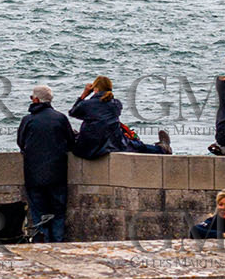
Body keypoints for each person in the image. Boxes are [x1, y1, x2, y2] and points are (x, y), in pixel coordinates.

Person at [17, 84, 76, 242]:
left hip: (34, 176)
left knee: (39, 214)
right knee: (58, 213)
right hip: (57, 175)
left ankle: (42, 243)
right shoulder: (60, 118)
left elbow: (21, 142)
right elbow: (71, 142)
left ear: (35, 99)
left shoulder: (28, 120)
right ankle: (57, 243)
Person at [69, 76, 168, 160]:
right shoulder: (116, 104)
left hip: (88, 147)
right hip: (113, 143)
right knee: (137, 145)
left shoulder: (87, 105)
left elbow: (73, 112)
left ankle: (162, 148)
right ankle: (162, 149)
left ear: (95, 89)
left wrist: (84, 95)